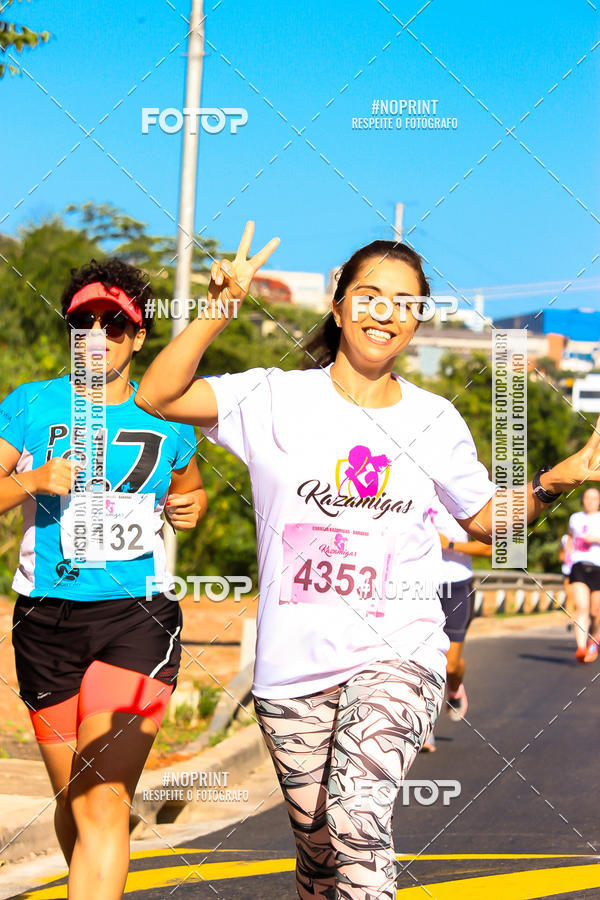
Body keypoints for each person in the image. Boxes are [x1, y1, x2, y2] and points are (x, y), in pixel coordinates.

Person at [136, 221, 600, 900]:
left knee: (358, 816)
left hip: (399, 649)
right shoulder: (273, 397)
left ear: (417, 320)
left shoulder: (435, 420)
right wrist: (216, 312)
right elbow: (160, 397)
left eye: (404, 302)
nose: (385, 312)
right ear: (338, 301)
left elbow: (481, 519)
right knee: (319, 848)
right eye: (370, 294)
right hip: (291, 668)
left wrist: (555, 479)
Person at [0, 258, 206, 900]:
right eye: (83, 321)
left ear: (139, 336)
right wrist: (29, 482)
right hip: (45, 618)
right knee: (74, 803)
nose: (97, 334)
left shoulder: (167, 412)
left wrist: (191, 508)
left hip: (137, 618)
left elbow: (191, 493)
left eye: (114, 323)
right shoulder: (31, 403)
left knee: (103, 800)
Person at [419, 502, 492, 751]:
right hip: (420, 586)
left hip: (456, 586)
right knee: (421, 661)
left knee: (450, 665)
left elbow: (490, 547)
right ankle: (425, 730)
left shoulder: (466, 500)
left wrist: (449, 544)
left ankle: (455, 686)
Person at [568, 486, 600, 663]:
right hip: (579, 565)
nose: (590, 501)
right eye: (587, 498)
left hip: (598, 567)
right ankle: (581, 647)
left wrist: (596, 539)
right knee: (582, 607)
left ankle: (593, 640)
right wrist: (568, 560)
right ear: (583, 500)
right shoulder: (575, 518)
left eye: (594, 498)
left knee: (596, 613)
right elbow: (569, 538)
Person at [558, 532, 574, 631]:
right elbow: (561, 553)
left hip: (583, 570)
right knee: (570, 596)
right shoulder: (565, 538)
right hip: (568, 571)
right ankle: (569, 619)